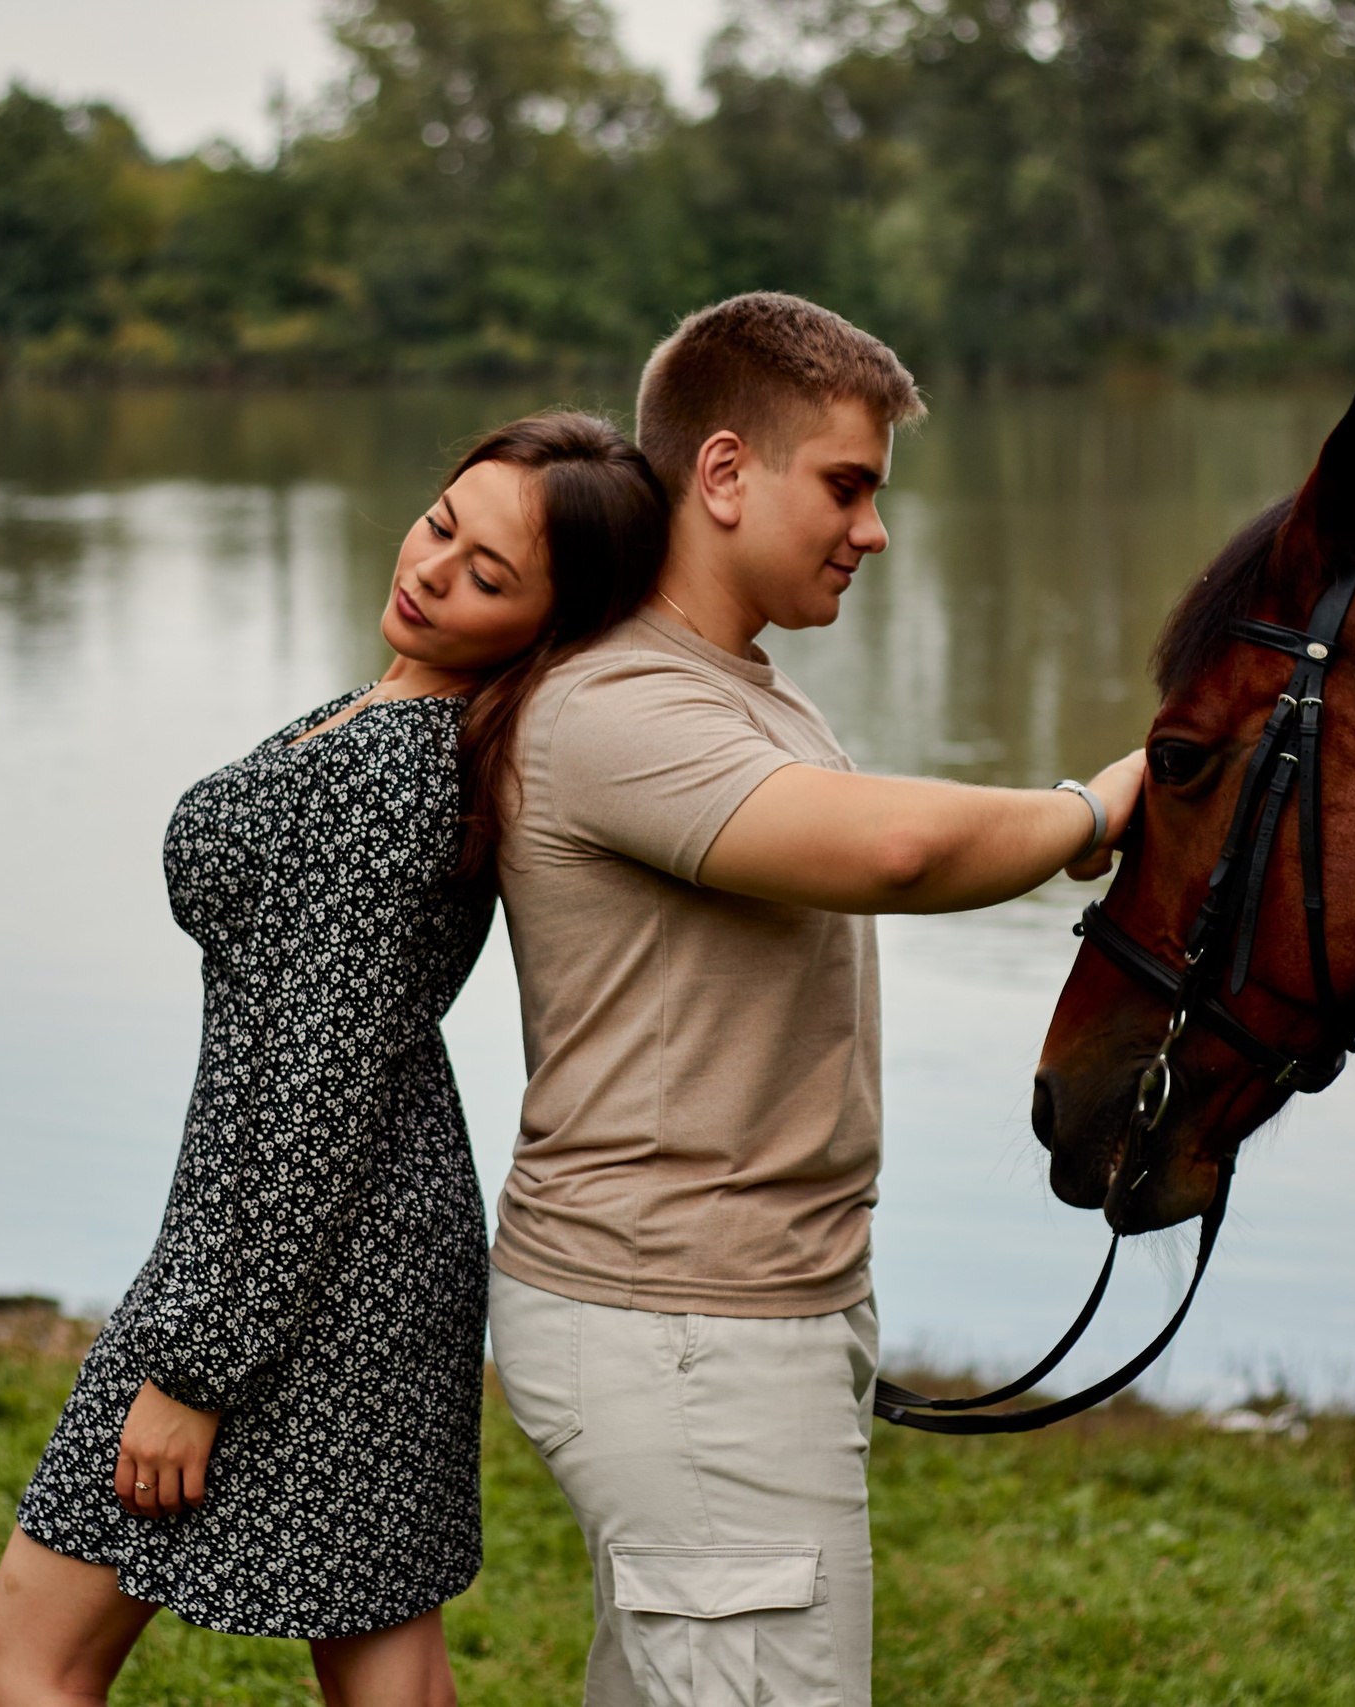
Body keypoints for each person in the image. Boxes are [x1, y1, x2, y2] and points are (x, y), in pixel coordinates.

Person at [486, 292, 1145, 1706]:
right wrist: (1100, 807)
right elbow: (898, 851)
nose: (874, 530)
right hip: (683, 1325)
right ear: (725, 473)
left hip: (731, 1315)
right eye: (846, 486)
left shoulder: (745, 692)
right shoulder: (616, 706)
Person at [0, 412, 670, 1707]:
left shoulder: (392, 783)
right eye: (442, 523)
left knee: (32, 1648)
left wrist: (195, 1367)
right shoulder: (406, 715)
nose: (432, 569)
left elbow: (316, 1098)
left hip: (311, 1253)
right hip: (357, 1241)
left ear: (550, 626)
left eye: (487, 576)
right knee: (387, 1674)